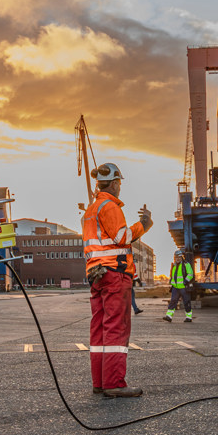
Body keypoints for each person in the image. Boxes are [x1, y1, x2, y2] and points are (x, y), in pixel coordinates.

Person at [82, 163, 153, 397]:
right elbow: (123, 237)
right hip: (114, 274)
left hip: (96, 275)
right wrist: (144, 225)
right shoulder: (110, 206)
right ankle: (114, 384)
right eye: (119, 183)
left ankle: (100, 382)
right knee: (116, 328)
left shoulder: (90, 210)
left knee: (99, 328)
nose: (120, 187)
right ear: (113, 183)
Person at [163, 249, 194, 323]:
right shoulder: (173, 265)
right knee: (173, 301)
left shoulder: (186, 264)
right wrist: (171, 281)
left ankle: (189, 317)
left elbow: (190, 274)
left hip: (184, 287)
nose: (177, 259)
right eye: (176, 257)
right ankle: (169, 316)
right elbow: (173, 275)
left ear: (181, 257)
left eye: (178, 257)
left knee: (186, 302)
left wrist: (185, 281)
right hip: (176, 287)